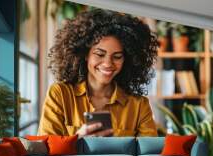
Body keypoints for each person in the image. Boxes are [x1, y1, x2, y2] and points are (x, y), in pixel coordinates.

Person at [38, 9, 158, 138]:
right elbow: (46, 148)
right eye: (100, 54)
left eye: (117, 57)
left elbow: (148, 154)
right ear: (85, 54)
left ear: (127, 59)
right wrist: (77, 141)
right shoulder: (60, 95)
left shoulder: (139, 105)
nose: (108, 63)